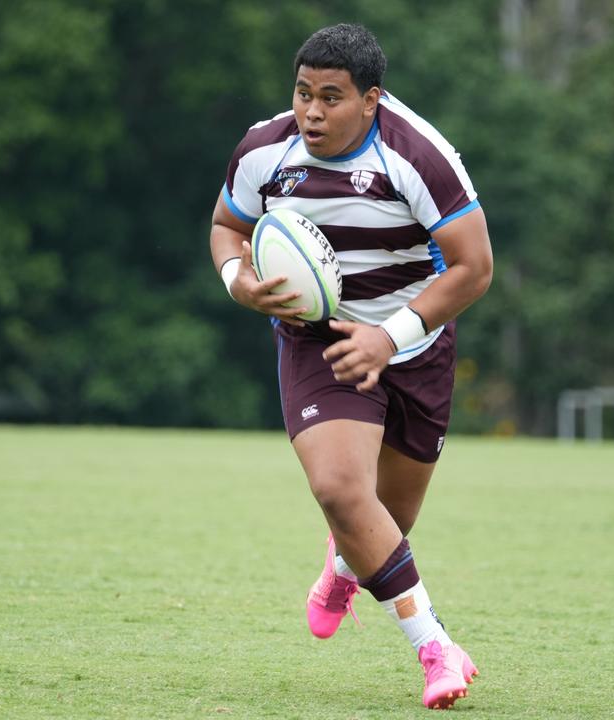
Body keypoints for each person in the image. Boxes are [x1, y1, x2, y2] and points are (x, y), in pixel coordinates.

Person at [209, 23, 493, 710]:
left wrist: (388, 339)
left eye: (331, 98)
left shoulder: (418, 156)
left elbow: (474, 267)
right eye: (303, 93)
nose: (311, 111)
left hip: (414, 345)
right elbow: (227, 226)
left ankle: (341, 568)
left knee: (386, 520)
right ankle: (435, 647)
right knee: (340, 489)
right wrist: (237, 280)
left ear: (372, 99)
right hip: (317, 339)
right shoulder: (263, 149)